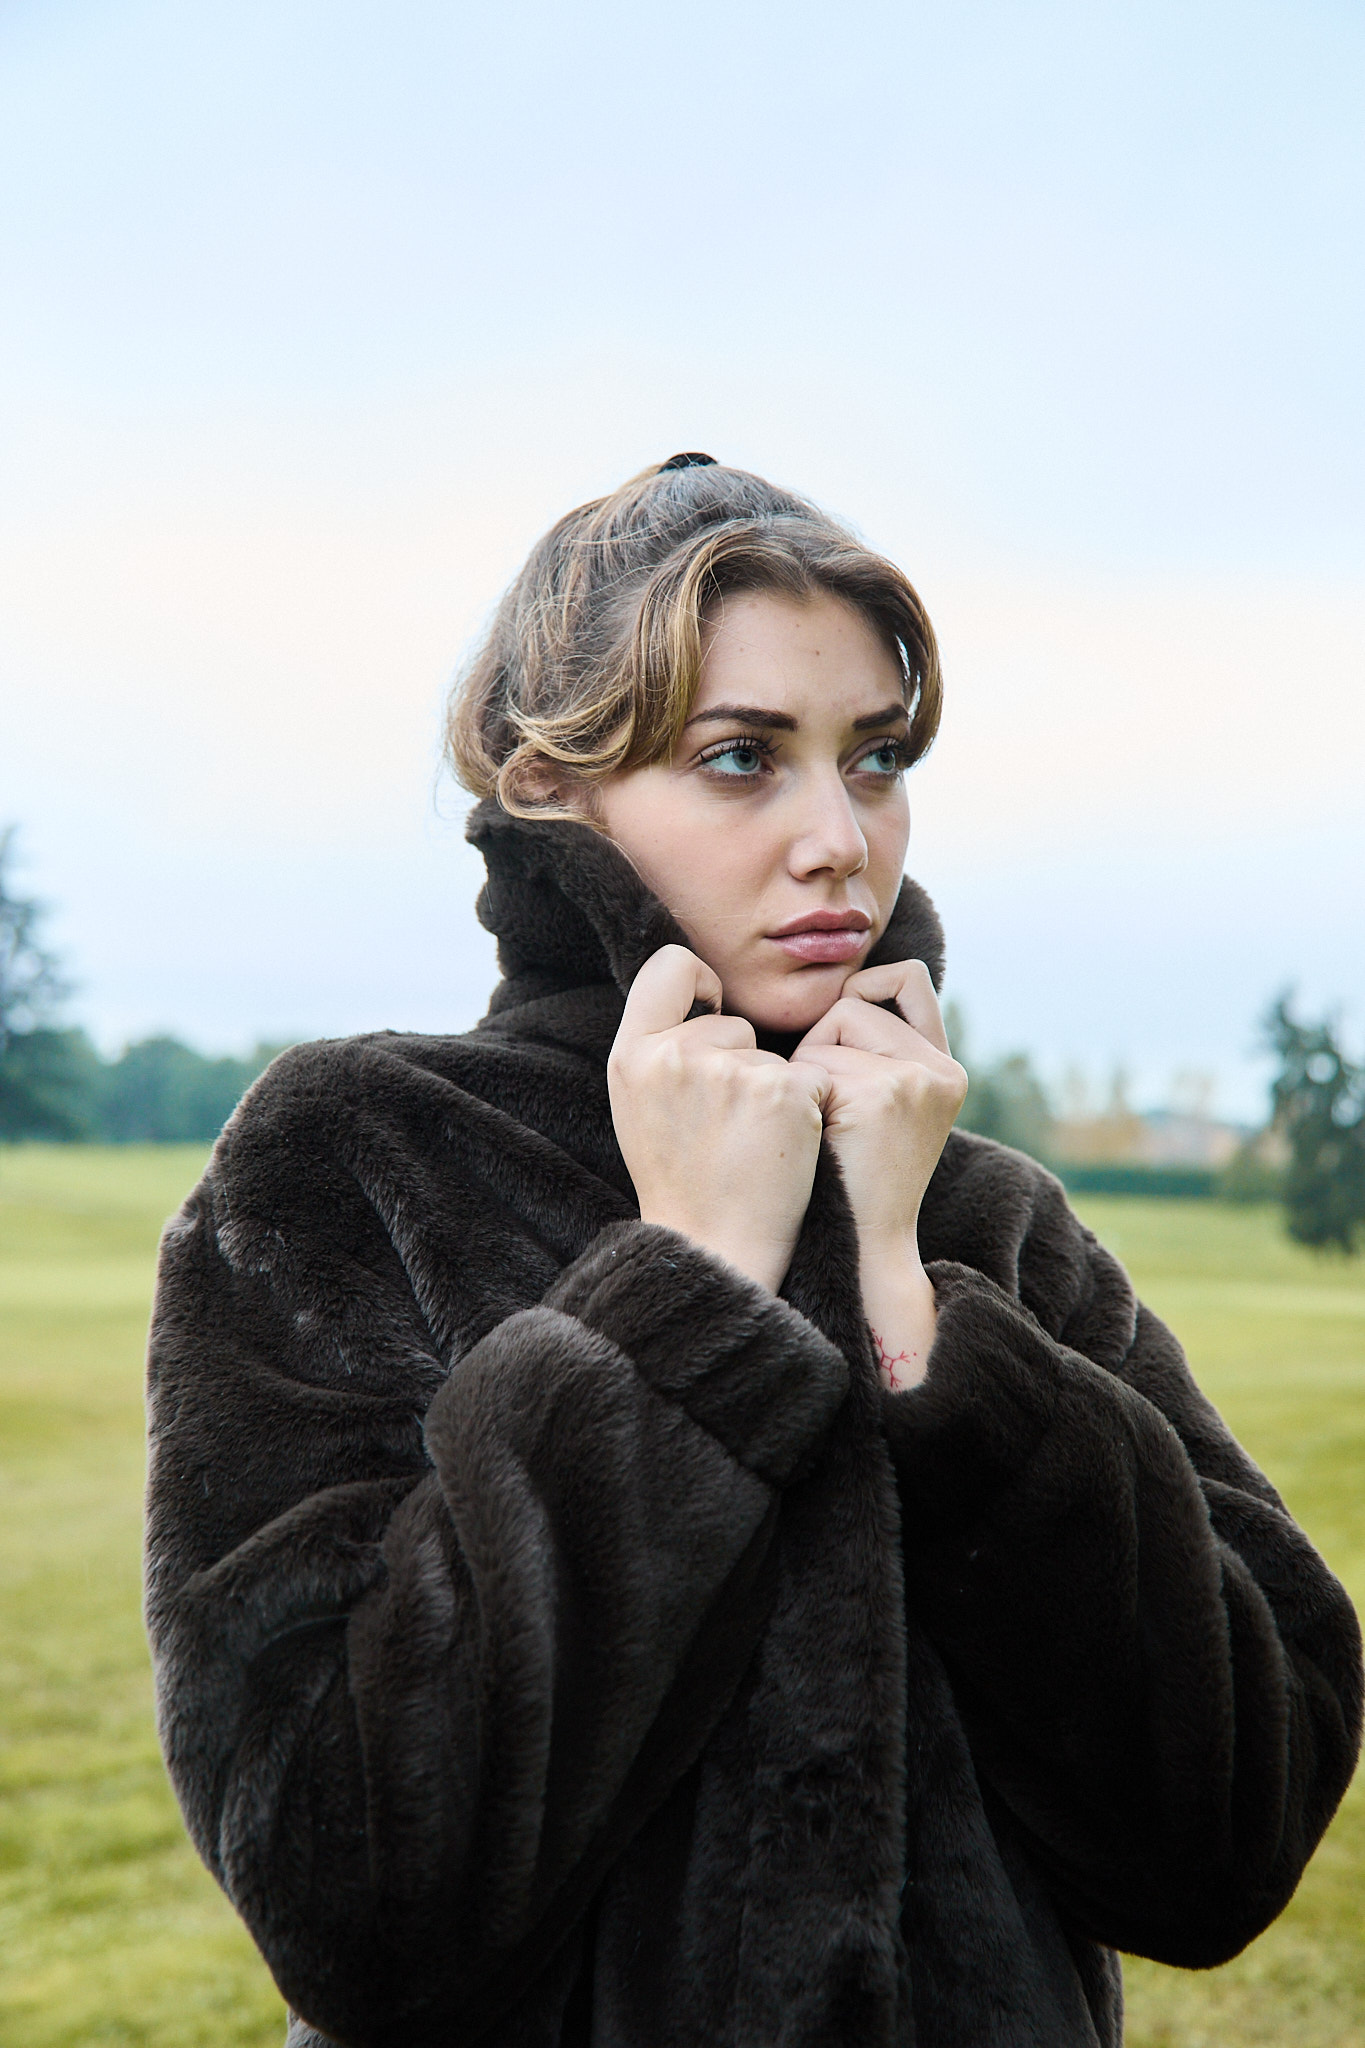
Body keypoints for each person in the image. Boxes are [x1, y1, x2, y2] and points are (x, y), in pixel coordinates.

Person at [144, 455, 1361, 2048]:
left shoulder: (989, 1217)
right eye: (740, 759)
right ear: (551, 788)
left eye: (875, 758)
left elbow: (1224, 1852)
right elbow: (347, 1894)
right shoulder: (358, 1152)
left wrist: (922, 1324)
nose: (837, 839)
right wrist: (687, 1291)